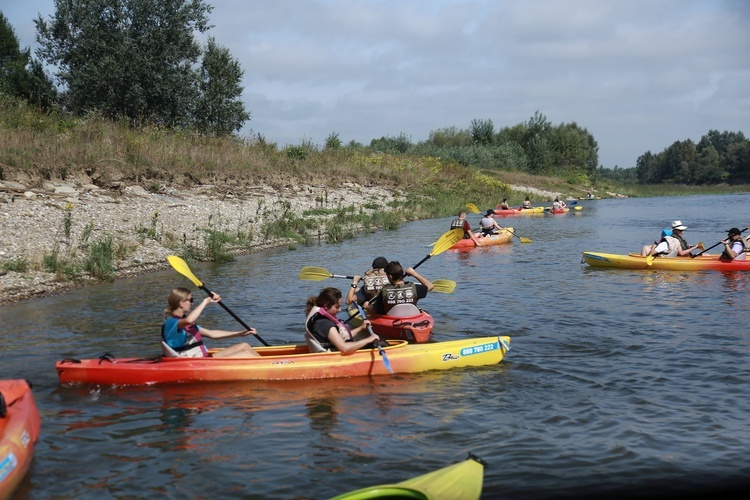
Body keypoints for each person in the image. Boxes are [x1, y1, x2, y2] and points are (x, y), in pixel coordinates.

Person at [162, 288, 260, 358]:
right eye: (191, 300)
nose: (192, 303)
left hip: (203, 358)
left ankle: (270, 366)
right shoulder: (171, 322)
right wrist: (206, 301)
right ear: (181, 303)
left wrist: (240, 333)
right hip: (192, 363)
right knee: (247, 354)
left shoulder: (186, 323)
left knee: (245, 346)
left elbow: (212, 334)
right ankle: (270, 368)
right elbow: (189, 320)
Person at [305, 287, 379, 353]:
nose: (340, 310)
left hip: (333, 351)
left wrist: (361, 328)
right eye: (337, 307)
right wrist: (369, 339)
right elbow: (344, 348)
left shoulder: (319, 318)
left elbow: (342, 337)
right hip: (333, 358)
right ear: (326, 306)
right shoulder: (325, 324)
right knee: (381, 344)